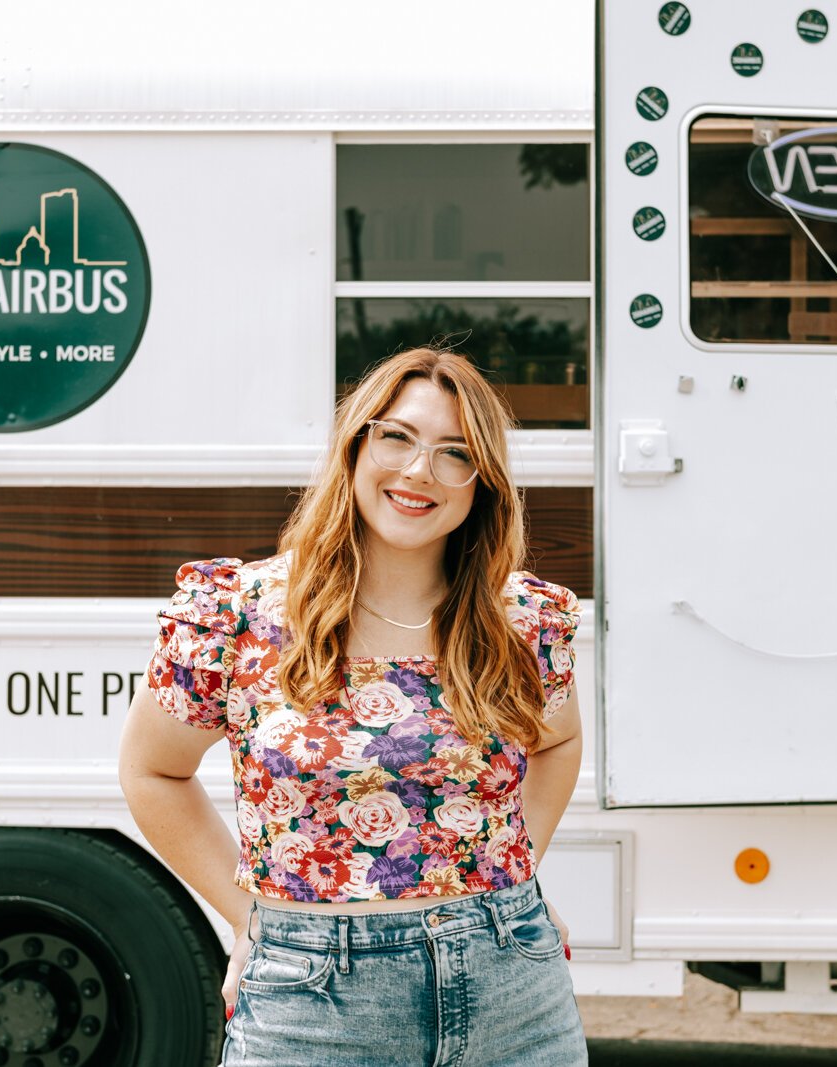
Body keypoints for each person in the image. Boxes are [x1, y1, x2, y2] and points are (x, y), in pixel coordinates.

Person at [119, 346, 587, 1066]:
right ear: (356, 444)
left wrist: (512, 867)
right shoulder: (237, 615)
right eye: (396, 436)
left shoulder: (519, 618)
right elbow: (152, 771)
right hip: (313, 1001)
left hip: (513, 990)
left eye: (455, 453)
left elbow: (557, 744)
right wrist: (249, 919)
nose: (417, 471)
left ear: (481, 483)